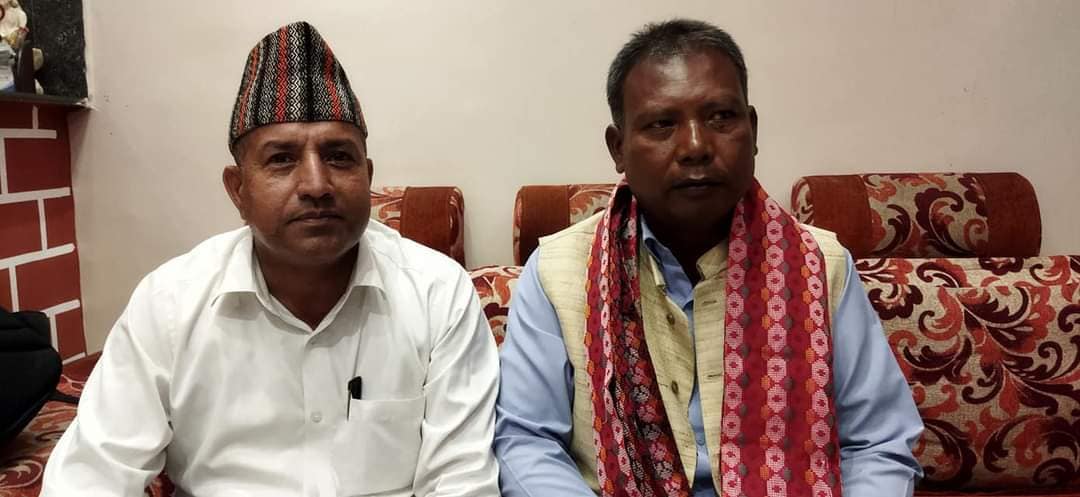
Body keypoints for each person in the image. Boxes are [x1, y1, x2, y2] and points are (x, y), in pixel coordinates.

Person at [41, 21, 500, 497]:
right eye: (281, 158)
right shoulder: (170, 304)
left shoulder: (437, 294)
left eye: (339, 157)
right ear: (237, 190)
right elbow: (90, 476)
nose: (316, 184)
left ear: (367, 176)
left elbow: (462, 481)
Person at [495, 19, 923, 497]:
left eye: (720, 117)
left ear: (752, 130)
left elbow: (878, 443)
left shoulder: (821, 264)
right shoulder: (558, 270)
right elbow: (526, 441)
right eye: (662, 124)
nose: (696, 147)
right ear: (619, 148)